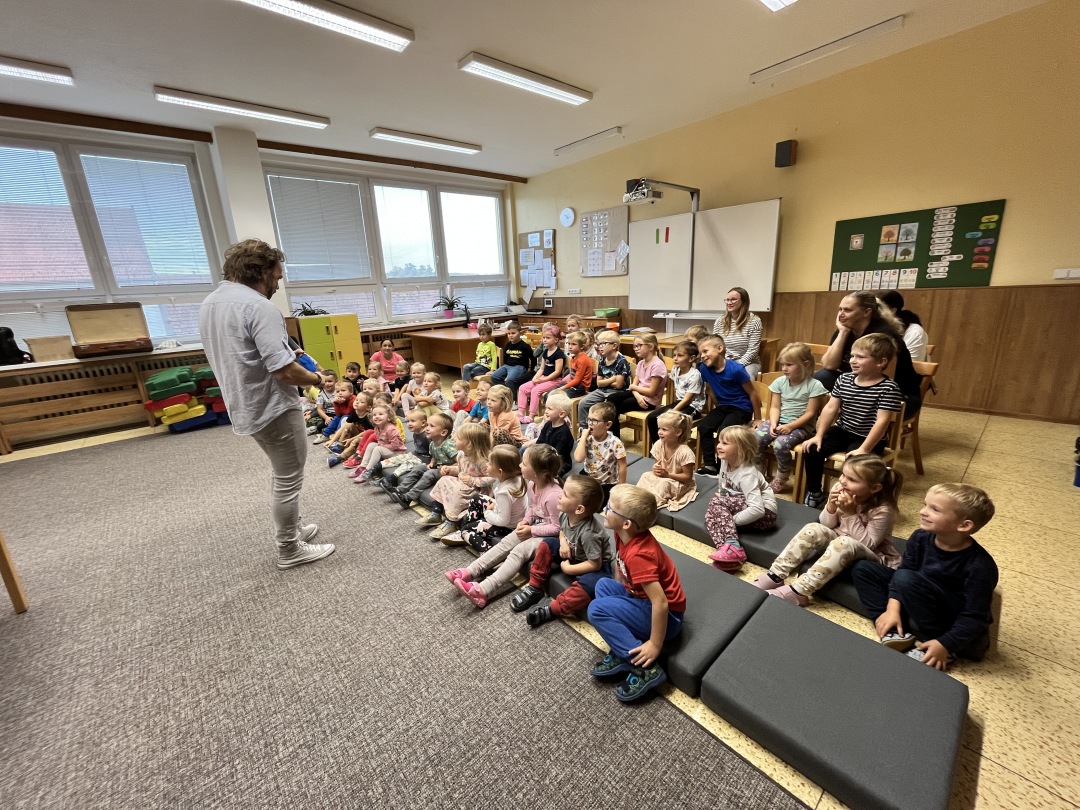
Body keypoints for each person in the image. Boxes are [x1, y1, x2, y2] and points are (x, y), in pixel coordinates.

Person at [198, 239, 334, 569]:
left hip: (244, 402)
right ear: (261, 272)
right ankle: (289, 549)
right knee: (289, 477)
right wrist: (317, 380)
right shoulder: (259, 307)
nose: (277, 284)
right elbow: (285, 371)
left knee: (281, 471)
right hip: (272, 405)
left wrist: (288, 352)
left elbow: (248, 351)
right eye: (276, 276)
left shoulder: (211, 302)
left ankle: (295, 529)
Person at [852, 483, 998, 670]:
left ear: (964, 525)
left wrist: (945, 644)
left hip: (949, 618)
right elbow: (904, 570)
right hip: (917, 589)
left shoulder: (980, 566)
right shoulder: (920, 537)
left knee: (906, 579)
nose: (922, 512)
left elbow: (976, 617)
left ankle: (940, 646)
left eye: (934, 509)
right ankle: (892, 629)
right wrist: (892, 609)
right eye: (925, 505)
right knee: (863, 568)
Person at [755, 455, 902, 606]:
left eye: (852, 479)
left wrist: (850, 513)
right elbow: (826, 524)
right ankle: (775, 576)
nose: (843, 481)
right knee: (813, 528)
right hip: (839, 545)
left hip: (870, 557)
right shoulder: (843, 491)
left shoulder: (883, 510)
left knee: (844, 542)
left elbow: (867, 544)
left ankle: (799, 592)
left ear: (874, 488)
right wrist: (831, 506)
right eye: (843, 474)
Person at [586, 484, 686, 703]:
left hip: (668, 618)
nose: (605, 509)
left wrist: (654, 645)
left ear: (626, 523)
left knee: (596, 610)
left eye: (610, 507)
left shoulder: (639, 555)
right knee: (603, 586)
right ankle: (624, 643)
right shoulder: (622, 534)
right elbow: (620, 567)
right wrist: (618, 603)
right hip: (640, 599)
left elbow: (661, 603)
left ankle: (645, 667)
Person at [446, 444, 563, 608]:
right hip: (535, 527)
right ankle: (471, 571)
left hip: (550, 537)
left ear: (537, 472)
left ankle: (483, 589)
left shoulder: (553, 495)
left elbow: (558, 528)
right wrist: (526, 521)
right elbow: (532, 508)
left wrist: (531, 530)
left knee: (518, 551)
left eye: (524, 463)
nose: (520, 465)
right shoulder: (532, 484)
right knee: (505, 543)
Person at [801, 333, 904, 509]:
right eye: (852, 356)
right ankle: (815, 492)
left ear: (881, 362)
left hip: (869, 438)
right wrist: (819, 435)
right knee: (812, 449)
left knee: (855, 465)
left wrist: (864, 449)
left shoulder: (888, 388)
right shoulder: (844, 379)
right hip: (843, 430)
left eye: (860, 357)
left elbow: (882, 422)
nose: (853, 361)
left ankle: (852, 500)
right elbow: (830, 408)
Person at [512, 474, 612, 626]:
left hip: (594, 565)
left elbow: (595, 564)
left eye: (565, 494)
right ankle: (534, 587)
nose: (559, 496)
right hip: (574, 553)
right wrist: (563, 542)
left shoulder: (589, 533)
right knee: (546, 544)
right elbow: (562, 531)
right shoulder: (565, 514)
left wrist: (569, 569)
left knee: (591, 585)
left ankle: (553, 609)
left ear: (579, 509)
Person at [816, 291, 921, 415]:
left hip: (896, 394)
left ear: (867, 312)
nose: (841, 314)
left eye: (847, 310)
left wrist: (848, 392)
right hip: (860, 383)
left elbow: (883, 380)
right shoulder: (846, 329)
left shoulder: (884, 336)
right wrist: (843, 333)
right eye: (840, 309)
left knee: (843, 397)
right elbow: (829, 365)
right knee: (821, 378)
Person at [753, 342, 829, 493]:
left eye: (789, 364)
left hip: (801, 427)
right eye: (782, 364)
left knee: (780, 444)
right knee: (755, 438)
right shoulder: (779, 382)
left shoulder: (814, 385)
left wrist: (790, 426)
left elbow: (810, 413)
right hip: (778, 422)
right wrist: (773, 423)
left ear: (805, 364)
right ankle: (758, 471)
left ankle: (782, 475)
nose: (784, 368)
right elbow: (775, 407)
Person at [705, 425, 777, 571]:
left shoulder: (747, 473)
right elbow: (723, 486)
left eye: (725, 443)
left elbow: (758, 509)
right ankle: (729, 557)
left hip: (765, 514)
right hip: (742, 505)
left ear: (741, 449)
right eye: (719, 442)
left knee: (716, 505)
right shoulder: (725, 461)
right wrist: (722, 501)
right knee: (709, 516)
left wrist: (729, 521)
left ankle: (733, 546)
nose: (718, 446)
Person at [694, 334, 761, 476]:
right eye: (700, 353)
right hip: (723, 406)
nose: (702, 356)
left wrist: (757, 418)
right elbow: (710, 389)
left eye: (705, 351)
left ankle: (723, 468)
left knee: (724, 432)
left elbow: (753, 393)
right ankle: (710, 465)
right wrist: (718, 407)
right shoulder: (704, 368)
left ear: (720, 348)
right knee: (703, 427)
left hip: (741, 408)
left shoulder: (736, 369)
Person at [440, 444, 527, 550]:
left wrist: (487, 513)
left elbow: (502, 521)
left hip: (506, 527)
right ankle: (466, 529)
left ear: (500, 471)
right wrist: (494, 507)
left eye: (489, 463)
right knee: (476, 498)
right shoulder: (516, 477)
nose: (487, 465)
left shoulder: (504, 493)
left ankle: (486, 549)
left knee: (466, 530)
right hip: (504, 514)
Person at [419, 422, 493, 539]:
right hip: (463, 484)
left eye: (458, 438)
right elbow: (461, 469)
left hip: (477, 490)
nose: (453, 438)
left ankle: (451, 522)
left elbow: (492, 478)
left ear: (469, 444)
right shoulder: (461, 455)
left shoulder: (482, 461)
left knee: (457, 491)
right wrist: (450, 470)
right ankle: (436, 513)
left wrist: (473, 480)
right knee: (444, 480)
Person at [389, 412, 456, 508]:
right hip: (437, 467)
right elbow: (435, 455)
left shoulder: (448, 445)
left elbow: (460, 461)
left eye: (431, 426)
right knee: (419, 467)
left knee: (429, 474)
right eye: (427, 425)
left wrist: (449, 468)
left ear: (443, 432)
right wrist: (432, 462)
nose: (427, 428)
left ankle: (408, 498)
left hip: (448, 472)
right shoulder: (432, 443)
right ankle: (400, 489)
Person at [605, 333, 667, 435]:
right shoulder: (641, 363)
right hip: (639, 395)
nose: (636, 349)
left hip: (649, 401)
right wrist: (637, 395)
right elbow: (633, 386)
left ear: (650, 347)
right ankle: (612, 437)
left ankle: (614, 438)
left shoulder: (657, 365)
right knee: (611, 398)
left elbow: (651, 392)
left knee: (613, 408)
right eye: (635, 346)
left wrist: (634, 388)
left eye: (639, 346)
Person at [646, 340, 704, 446]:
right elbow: (675, 389)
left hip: (692, 407)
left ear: (691, 358)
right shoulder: (675, 369)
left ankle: (674, 449)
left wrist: (672, 412)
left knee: (671, 421)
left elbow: (687, 400)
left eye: (680, 355)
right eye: (674, 355)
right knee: (652, 417)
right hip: (679, 402)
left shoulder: (695, 375)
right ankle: (659, 447)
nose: (675, 358)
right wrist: (670, 409)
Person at [637, 411, 698, 512]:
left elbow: (687, 477)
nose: (659, 432)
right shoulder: (658, 444)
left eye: (664, 429)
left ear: (678, 432)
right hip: (665, 476)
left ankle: (649, 505)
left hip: (679, 482)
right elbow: (658, 465)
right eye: (659, 428)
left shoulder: (685, 452)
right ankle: (638, 498)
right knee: (645, 475)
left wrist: (668, 475)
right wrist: (656, 469)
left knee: (663, 484)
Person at [574, 330, 632, 429]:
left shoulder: (621, 361)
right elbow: (599, 383)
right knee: (583, 403)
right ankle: (584, 430)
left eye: (603, 344)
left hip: (616, 393)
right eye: (599, 344)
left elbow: (618, 385)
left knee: (603, 410)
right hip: (601, 390)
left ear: (614, 346)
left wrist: (605, 380)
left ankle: (603, 432)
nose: (599, 347)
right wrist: (612, 379)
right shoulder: (602, 359)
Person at [574, 401, 628, 500]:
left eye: (595, 421)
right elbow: (578, 458)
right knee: (574, 493)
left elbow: (623, 466)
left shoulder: (615, 443)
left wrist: (621, 487)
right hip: (588, 476)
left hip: (606, 483)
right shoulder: (587, 438)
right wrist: (583, 438)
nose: (590, 424)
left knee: (597, 501)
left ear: (607, 424)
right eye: (589, 419)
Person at [712, 287, 763, 379]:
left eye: (733, 299)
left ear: (743, 302)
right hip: (724, 361)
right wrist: (723, 363)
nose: (729, 302)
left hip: (748, 363)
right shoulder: (720, 321)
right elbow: (714, 345)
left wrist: (736, 366)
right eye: (727, 300)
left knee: (745, 376)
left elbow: (753, 351)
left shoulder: (754, 321)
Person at [516, 325, 565, 417]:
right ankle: (520, 412)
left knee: (535, 390)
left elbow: (557, 372)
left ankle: (532, 415)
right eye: (544, 338)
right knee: (522, 388)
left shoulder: (559, 354)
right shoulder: (545, 352)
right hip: (544, 378)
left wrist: (543, 380)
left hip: (554, 381)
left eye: (548, 338)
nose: (545, 340)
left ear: (556, 340)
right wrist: (535, 378)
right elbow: (541, 369)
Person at [351, 403, 406, 482]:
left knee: (378, 449)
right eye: (374, 415)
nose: (377, 416)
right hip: (387, 449)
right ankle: (363, 466)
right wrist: (381, 444)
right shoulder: (377, 428)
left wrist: (382, 445)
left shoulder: (391, 429)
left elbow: (395, 446)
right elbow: (380, 440)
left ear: (389, 417)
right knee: (371, 444)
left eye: (380, 414)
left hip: (398, 452)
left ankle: (368, 470)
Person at [525, 392, 574, 477]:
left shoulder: (563, 434)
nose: (546, 411)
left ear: (561, 414)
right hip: (545, 456)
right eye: (546, 408)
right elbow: (540, 442)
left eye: (550, 409)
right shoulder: (548, 424)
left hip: (558, 463)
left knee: (544, 475)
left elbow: (558, 456)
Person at [879, 290, 930, 362]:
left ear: (893, 311)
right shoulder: (876, 326)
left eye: (879, 308)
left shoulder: (914, 331)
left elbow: (909, 364)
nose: (874, 311)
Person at [489, 320, 534, 398]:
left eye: (513, 333)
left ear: (520, 333)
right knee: (494, 376)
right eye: (509, 334)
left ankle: (513, 399)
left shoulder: (525, 346)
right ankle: (505, 392)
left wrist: (531, 371)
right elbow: (505, 358)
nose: (510, 335)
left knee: (510, 379)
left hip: (519, 366)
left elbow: (533, 358)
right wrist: (504, 368)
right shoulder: (508, 345)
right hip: (507, 366)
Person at [550, 330, 593, 398]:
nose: (570, 346)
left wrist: (562, 388)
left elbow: (577, 380)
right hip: (572, 383)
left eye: (573, 344)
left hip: (581, 387)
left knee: (558, 396)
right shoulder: (573, 357)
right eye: (569, 343)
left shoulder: (583, 360)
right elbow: (572, 376)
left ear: (582, 346)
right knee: (550, 393)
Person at [312, 379, 354, 444]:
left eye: (343, 390)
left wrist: (340, 404)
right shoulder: (340, 399)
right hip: (342, 416)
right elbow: (338, 414)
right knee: (336, 418)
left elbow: (347, 413)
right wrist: (336, 403)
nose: (340, 393)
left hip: (352, 419)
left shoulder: (353, 400)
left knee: (344, 417)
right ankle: (326, 435)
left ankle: (338, 436)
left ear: (351, 392)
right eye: (337, 391)